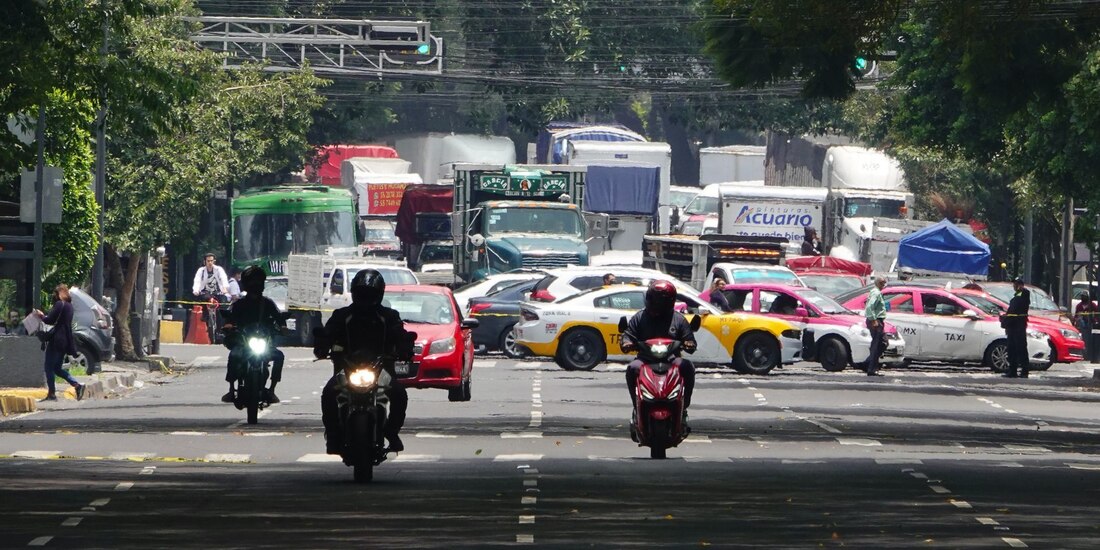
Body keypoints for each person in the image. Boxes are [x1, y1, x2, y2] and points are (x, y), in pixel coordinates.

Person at [315, 269, 415, 454]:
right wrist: (322, 345)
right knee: (329, 394)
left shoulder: (389, 316)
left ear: (379, 294)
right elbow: (327, 333)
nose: (365, 298)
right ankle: (333, 435)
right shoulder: (342, 315)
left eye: (370, 294)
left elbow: (400, 335)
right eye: (362, 294)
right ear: (354, 293)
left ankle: (391, 432)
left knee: (399, 394)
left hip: (380, 369)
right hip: (347, 369)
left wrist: (405, 348)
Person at [620, 280, 697, 414]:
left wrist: (689, 343)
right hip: (646, 359)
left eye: (658, 300)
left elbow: (689, 338)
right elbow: (628, 334)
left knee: (687, 366)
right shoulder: (640, 317)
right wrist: (626, 342)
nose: (655, 302)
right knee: (632, 368)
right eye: (652, 298)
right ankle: (636, 406)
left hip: (671, 359)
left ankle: (684, 403)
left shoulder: (678, 319)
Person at [221, 266, 286, 404]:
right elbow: (230, 317)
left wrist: (283, 326)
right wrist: (228, 325)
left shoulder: (268, 303)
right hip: (244, 342)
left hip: (264, 342)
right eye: (252, 283)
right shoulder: (239, 304)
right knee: (234, 355)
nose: (255, 286)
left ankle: (272, 389)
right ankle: (232, 389)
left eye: (257, 282)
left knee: (279, 356)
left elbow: (279, 317)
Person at [33, 284, 85, 401]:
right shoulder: (69, 306)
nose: (54, 296)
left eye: (55, 294)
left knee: (48, 367)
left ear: (59, 294)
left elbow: (50, 320)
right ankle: (77, 385)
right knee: (57, 368)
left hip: (57, 339)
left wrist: (41, 315)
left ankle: (51, 393)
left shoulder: (59, 304)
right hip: (65, 340)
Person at [192, 253, 230, 337]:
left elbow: (224, 278)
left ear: (214, 261)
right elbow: (197, 280)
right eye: (208, 261)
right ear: (204, 261)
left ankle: (220, 329)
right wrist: (196, 290)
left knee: (222, 308)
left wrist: (225, 288)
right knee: (204, 299)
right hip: (206, 292)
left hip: (218, 292)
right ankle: (206, 315)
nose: (210, 263)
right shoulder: (201, 270)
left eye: (211, 261)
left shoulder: (219, 269)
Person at [1000, 276, 1031, 378]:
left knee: (1021, 348)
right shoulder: (1015, 297)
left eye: (1016, 284)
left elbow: (1020, 304)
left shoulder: (1024, 295)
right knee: (1011, 349)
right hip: (1012, 327)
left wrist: (1021, 288)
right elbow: (1011, 312)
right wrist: (1005, 319)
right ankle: (1012, 371)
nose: (1014, 286)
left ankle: (1024, 371)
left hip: (1019, 327)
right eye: (1014, 284)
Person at [863, 276, 888, 376]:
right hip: (876, 321)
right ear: (877, 283)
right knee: (877, 345)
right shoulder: (876, 293)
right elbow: (869, 307)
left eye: (884, 283)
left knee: (883, 343)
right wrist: (873, 320)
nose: (883, 285)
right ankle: (872, 368)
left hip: (879, 320)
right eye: (882, 283)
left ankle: (869, 363)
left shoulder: (877, 292)